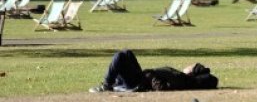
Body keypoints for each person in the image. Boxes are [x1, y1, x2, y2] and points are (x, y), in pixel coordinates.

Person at [89, 49, 218, 92]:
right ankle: (115, 83)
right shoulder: (179, 75)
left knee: (120, 56)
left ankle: (107, 85)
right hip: (141, 76)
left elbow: (161, 87)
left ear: (192, 71)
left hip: (138, 82)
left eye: (191, 65)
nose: (188, 65)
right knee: (127, 53)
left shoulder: (180, 78)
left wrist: (152, 76)